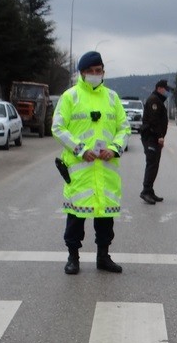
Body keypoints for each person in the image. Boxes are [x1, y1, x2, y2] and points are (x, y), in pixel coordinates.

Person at [51, 51, 129, 275]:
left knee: (105, 217)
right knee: (76, 216)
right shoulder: (70, 97)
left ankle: (103, 257)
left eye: (100, 71)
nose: (96, 75)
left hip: (105, 169)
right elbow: (57, 128)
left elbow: (124, 128)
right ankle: (73, 257)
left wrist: (114, 149)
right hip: (80, 170)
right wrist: (80, 149)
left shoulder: (112, 98)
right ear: (82, 73)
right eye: (92, 71)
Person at [139, 78, 172, 204]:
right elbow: (154, 121)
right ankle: (145, 191)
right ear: (159, 88)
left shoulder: (157, 100)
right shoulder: (154, 100)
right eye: (165, 89)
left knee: (154, 164)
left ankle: (150, 190)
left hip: (154, 137)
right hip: (151, 137)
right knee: (152, 163)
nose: (166, 92)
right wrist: (160, 136)